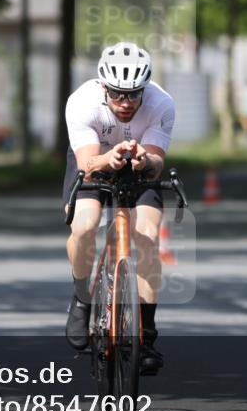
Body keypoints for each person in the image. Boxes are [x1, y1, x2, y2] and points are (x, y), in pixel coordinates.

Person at [63, 41, 175, 374]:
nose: (125, 104)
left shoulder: (162, 104)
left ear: (145, 89)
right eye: (116, 95)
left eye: (133, 95)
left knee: (148, 235)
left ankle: (148, 334)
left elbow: (156, 162)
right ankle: (83, 298)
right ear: (102, 87)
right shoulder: (82, 103)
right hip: (94, 159)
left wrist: (144, 159)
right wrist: (108, 159)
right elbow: (87, 164)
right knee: (84, 226)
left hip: (138, 165)